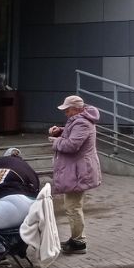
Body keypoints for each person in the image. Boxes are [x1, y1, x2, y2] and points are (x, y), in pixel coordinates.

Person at [48, 94, 101, 255]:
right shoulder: (79, 120)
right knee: (73, 205)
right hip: (77, 170)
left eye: (68, 110)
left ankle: (79, 242)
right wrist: (60, 131)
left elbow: (72, 145)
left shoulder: (82, 122)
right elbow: (73, 135)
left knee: (73, 207)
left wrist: (56, 141)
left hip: (79, 171)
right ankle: (77, 239)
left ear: (77, 109)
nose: (65, 113)